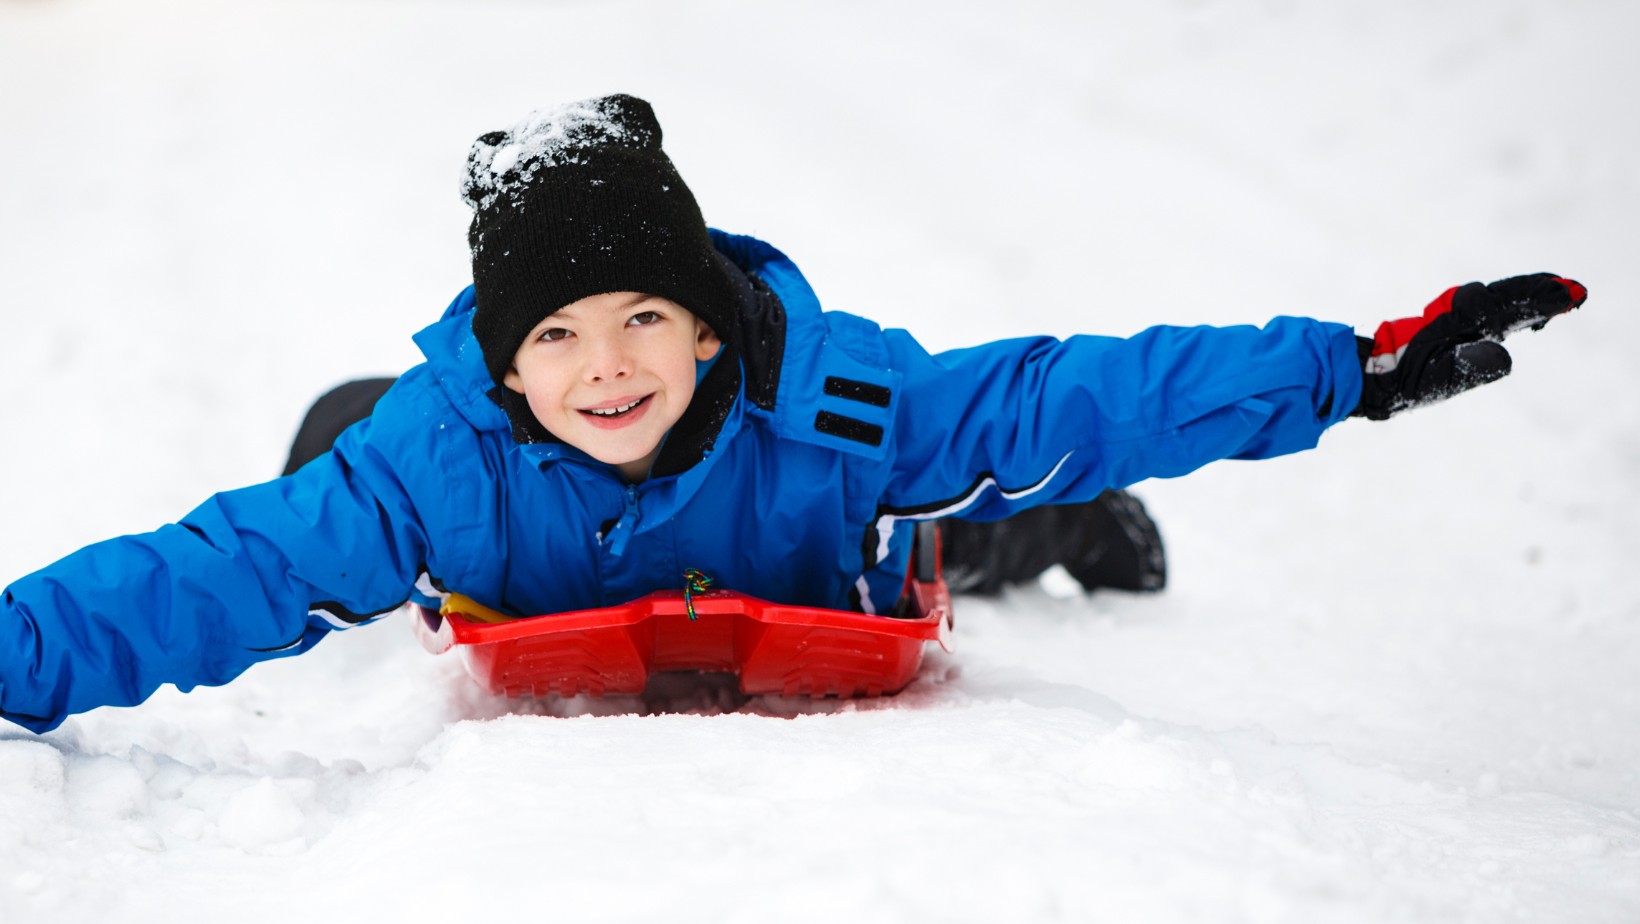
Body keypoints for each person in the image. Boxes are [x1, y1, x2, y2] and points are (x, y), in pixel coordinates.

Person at [0, 95, 1586, 734]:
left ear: (710, 328)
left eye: (647, 320)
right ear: (504, 367)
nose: (607, 365)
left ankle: (1068, 526)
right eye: (555, 337)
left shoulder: (832, 395)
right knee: (322, 472)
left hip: (805, 523)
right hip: (496, 530)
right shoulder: (440, 454)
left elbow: (1069, 392)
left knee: (992, 481)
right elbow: (207, 574)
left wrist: (1347, 371)